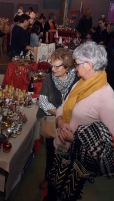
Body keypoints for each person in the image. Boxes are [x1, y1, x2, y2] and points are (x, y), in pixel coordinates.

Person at [46, 41, 114, 200]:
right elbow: (63, 106)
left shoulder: (105, 96)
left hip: (78, 159)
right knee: (53, 185)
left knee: (68, 193)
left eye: (77, 64)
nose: (75, 68)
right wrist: (60, 120)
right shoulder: (81, 84)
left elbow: (113, 139)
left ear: (89, 65)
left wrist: (75, 138)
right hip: (60, 147)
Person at [36, 48, 78, 191]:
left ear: (67, 66)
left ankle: (65, 178)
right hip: (53, 123)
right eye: (51, 65)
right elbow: (43, 102)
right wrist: (60, 116)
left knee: (69, 153)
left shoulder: (78, 80)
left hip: (73, 123)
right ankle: (48, 177)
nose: (52, 69)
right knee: (51, 153)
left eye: (56, 66)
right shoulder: (49, 78)